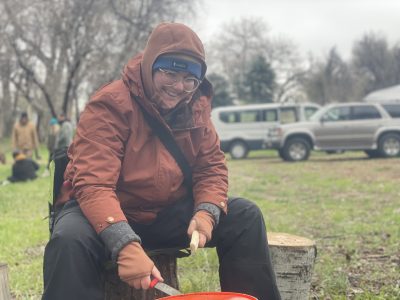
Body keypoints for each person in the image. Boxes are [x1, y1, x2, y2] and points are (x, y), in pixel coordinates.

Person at [42, 22, 281, 300]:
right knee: (68, 241)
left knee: (245, 215)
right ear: (149, 65)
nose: (180, 87)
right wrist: (125, 243)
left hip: (163, 213)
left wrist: (206, 212)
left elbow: (211, 168)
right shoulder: (109, 104)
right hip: (106, 211)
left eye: (190, 80)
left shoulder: (196, 108)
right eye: (170, 74)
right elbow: (94, 184)